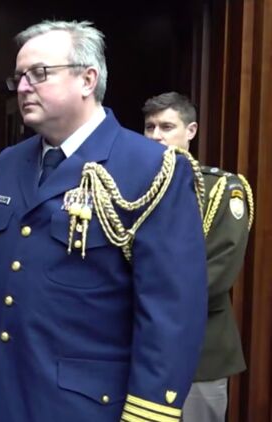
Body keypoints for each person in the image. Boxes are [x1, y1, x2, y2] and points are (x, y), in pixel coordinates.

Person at [0, 20, 207, 422]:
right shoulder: (11, 161)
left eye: (38, 73)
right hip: (5, 391)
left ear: (87, 80)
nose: (23, 87)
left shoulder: (151, 167)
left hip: (87, 405)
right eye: (19, 76)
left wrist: (147, 415)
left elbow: (171, 312)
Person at [143, 92, 254, 422]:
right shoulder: (129, 188)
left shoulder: (221, 189)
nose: (156, 136)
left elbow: (218, 272)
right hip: (138, 348)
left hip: (198, 350)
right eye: (149, 127)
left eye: (167, 127)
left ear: (191, 131)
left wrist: (146, 301)